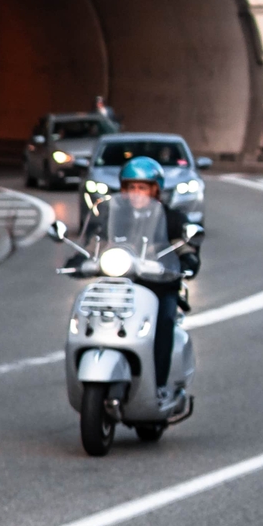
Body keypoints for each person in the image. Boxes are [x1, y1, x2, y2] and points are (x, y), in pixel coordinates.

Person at [83, 156, 189, 389]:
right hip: (117, 286)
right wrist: (82, 258)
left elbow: (184, 246)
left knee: (164, 321)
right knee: (88, 315)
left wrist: (188, 259)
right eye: (131, 187)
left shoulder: (172, 218)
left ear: (155, 189)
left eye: (143, 187)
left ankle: (158, 384)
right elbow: (95, 242)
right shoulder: (112, 216)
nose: (137, 193)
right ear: (123, 190)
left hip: (158, 287)